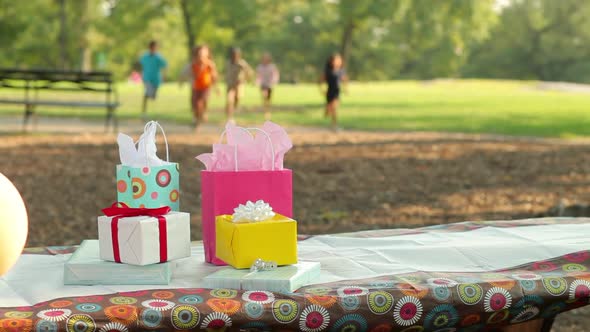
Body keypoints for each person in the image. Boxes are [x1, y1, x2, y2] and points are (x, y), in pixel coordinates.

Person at [181, 45, 218, 131]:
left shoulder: (209, 64)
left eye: (203, 55)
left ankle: (199, 119)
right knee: (194, 104)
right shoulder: (193, 64)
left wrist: (216, 87)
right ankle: (196, 118)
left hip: (206, 87)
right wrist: (182, 81)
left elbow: (214, 76)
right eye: (200, 55)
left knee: (201, 103)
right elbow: (187, 74)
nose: (201, 57)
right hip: (196, 87)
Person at [139, 40, 167, 120]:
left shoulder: (158, 57)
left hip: (156, 80)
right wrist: (142, 75)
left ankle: (147, 112)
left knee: (152, 96)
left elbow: (164, 65)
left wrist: (164, 76)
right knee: (146, 94)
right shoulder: (145, 57)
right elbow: (141, 65)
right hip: (147, 79)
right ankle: (143, 113)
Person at [225, 47, 254, 124]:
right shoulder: (228, 63)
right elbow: (227, 73)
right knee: (229, 100)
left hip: (239, 85)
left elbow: (250, 72)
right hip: (230, 84)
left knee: (237, 99)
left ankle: (233, 110)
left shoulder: (242, 63)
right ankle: (230, 117)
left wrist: (246, 79)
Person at [319, 53, 347, 131]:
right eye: (336, 60)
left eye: (339, 60)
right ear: (331, 61)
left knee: (334, 108)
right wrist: (321, 90)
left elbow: (344, 79)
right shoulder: (328, 71)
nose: (338, 62)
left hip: (337, 92)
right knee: (331, 108)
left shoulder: (341, 70)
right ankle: (328, 110)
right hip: (329, 91)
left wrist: (345, 88)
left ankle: (334, 125)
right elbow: (321, 80)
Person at [256, 52, 280, 120]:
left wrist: (274, 81)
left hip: (269, 85)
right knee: (264, 97)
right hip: (263, 85)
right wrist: (257, 82)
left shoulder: (272, 66)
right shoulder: (260, 67)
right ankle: (266, 113)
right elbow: (258, 76)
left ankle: (267, 112)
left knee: (268, 100)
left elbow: (275, 74)